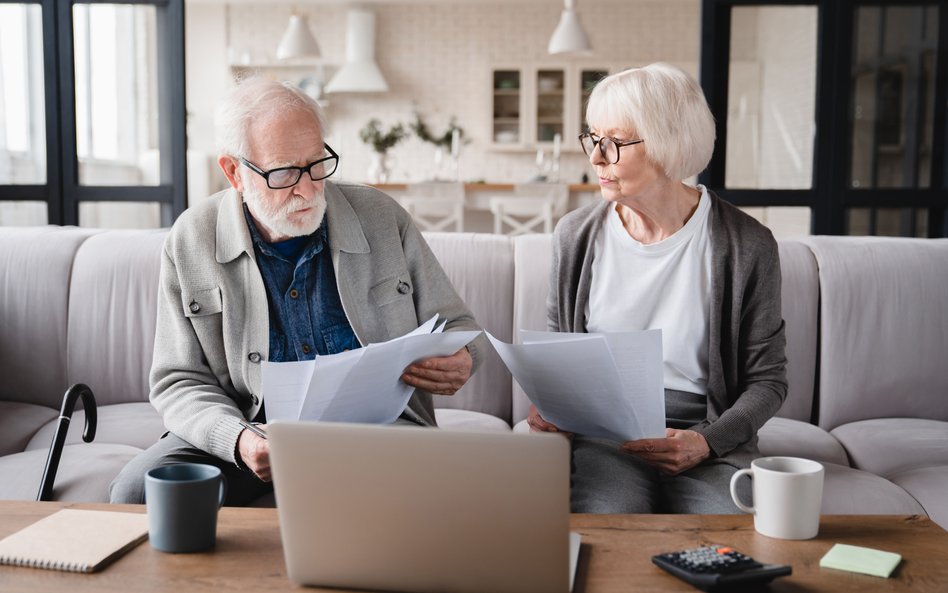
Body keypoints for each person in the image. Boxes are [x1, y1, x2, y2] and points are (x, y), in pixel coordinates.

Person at [110, 76, 486, 505]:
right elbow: (178, 379)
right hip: (250, 433)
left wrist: (463, 360)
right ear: (234, 172)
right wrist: (239, 440)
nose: (307, 189)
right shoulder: (191, 239)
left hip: (378, 434)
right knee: (136, 492)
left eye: (316, 164)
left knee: (447, 491)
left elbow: (461, 328)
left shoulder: (382, 218)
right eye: (285, 172)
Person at [528, 63, 787, 514]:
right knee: (606, 527)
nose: (595, 158)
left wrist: (707, 442)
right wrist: (553, 408)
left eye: (614, 143)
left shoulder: (747, 244)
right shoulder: (575, 236)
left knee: (723, 550)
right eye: (593, 138)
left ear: (669, 143)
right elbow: (560, 353)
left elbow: (768, 381)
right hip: (604, 435)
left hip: (706, 433)